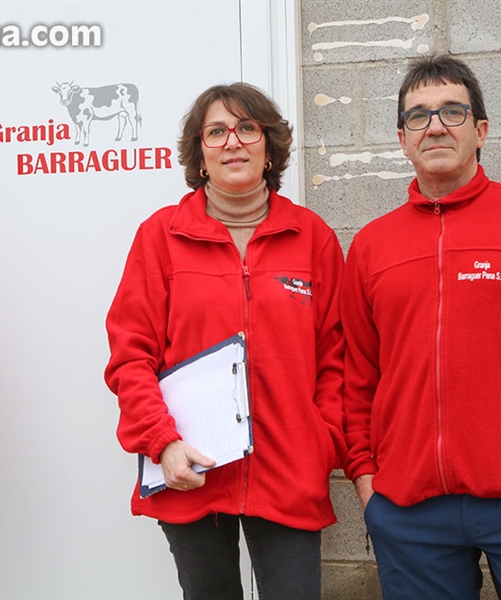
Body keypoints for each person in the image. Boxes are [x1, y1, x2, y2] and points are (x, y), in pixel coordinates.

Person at [342, 54, 501, 599]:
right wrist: (367, 479)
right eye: (418, 116)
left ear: (480, 131)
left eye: (452, 112)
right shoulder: (370, 247)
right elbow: (359, 374)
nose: (434, 125)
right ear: (402, 137)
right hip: (410, 510)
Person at [104, 83, 345, 599]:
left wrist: (320, 443)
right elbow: (130, 357)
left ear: (268, 145)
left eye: (247, 129)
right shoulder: (160, 236)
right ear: (200, 153)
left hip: (289, 472)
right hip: (190, 468)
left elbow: (338, 360)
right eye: (216, 132)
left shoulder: (313, 237)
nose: (232, 142)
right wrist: (161, 442)